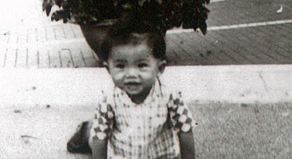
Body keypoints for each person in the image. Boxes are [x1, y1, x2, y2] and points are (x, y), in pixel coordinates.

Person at [67, 16, 196, 159]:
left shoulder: (169, 95)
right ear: (108, 69)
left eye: (142, 65)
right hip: (123, 155)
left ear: (160, 68)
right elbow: (100, 137)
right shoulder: (109, 100)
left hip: (161, 155)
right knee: (95, 136)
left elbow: (185, 128)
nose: (131, 74)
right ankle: (87, 130)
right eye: (120, 66)